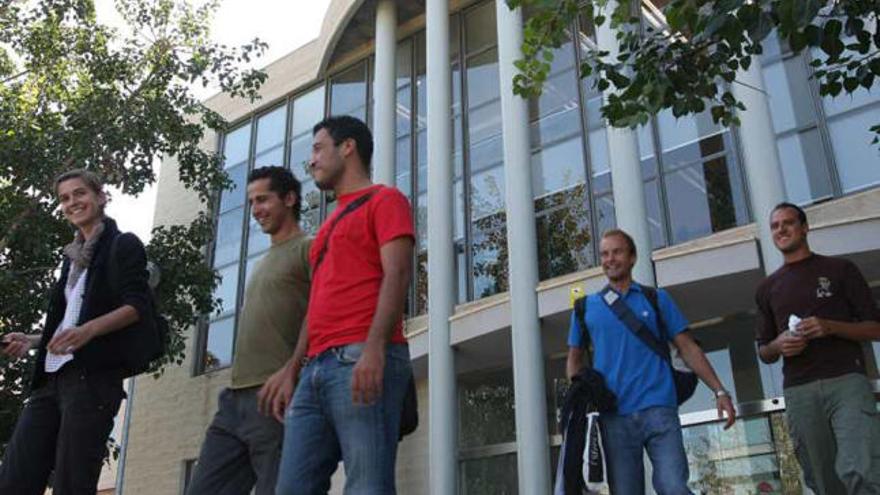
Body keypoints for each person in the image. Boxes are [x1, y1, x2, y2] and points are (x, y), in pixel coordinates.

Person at [275, 115, 415, 494]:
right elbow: (317, 302)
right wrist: (293, 366)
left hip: (358, 358)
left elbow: (398, 274)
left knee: (367, 486)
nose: (312, 160)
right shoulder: (327, 226)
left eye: (319, 148)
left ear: (347, 147)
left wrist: (374, 349)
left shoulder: (385, 200)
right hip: (314, 371)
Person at [0, 169, 153, 495]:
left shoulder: (123, 245)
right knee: (14, 478)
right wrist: (32, 341)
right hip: (51, 380)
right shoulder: (71, 259)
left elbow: (138, 306)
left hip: (92, 380)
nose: (72, 202)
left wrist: (88, 331)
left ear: (100, 197)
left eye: (80, 193)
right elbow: (70, 325)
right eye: (65, 198)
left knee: (72, 483)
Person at [566, 229, 736, 495]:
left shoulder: (656, 299)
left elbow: (688, 348)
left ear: (632, 257)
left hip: (659, 408)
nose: (610, 259)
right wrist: (577, 402)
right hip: (614, 416)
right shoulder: (585, 307)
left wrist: (719, 390)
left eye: (617, 252)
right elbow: (574, 361)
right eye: (604, 254)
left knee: (673, 487)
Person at [187, 166, 311, 495]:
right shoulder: (264, 260)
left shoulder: (308, 248)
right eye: (251, 202)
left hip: (275, 396)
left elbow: (322, 313)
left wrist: (293, 368)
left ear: (289, 198)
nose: (256, 210)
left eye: (263, 199)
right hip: (234, 399)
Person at [755, 202, 880, 494]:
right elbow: (764, 351)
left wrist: (830, 326)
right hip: (799, 390)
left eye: (788, 223)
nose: (781, 229)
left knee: (858, 469)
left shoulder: (840, 270)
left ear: (805, 228)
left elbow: (875, 328)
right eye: (775, 226)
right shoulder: (767, 288)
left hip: (847, 381)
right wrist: (780, 343)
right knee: (822, 481)